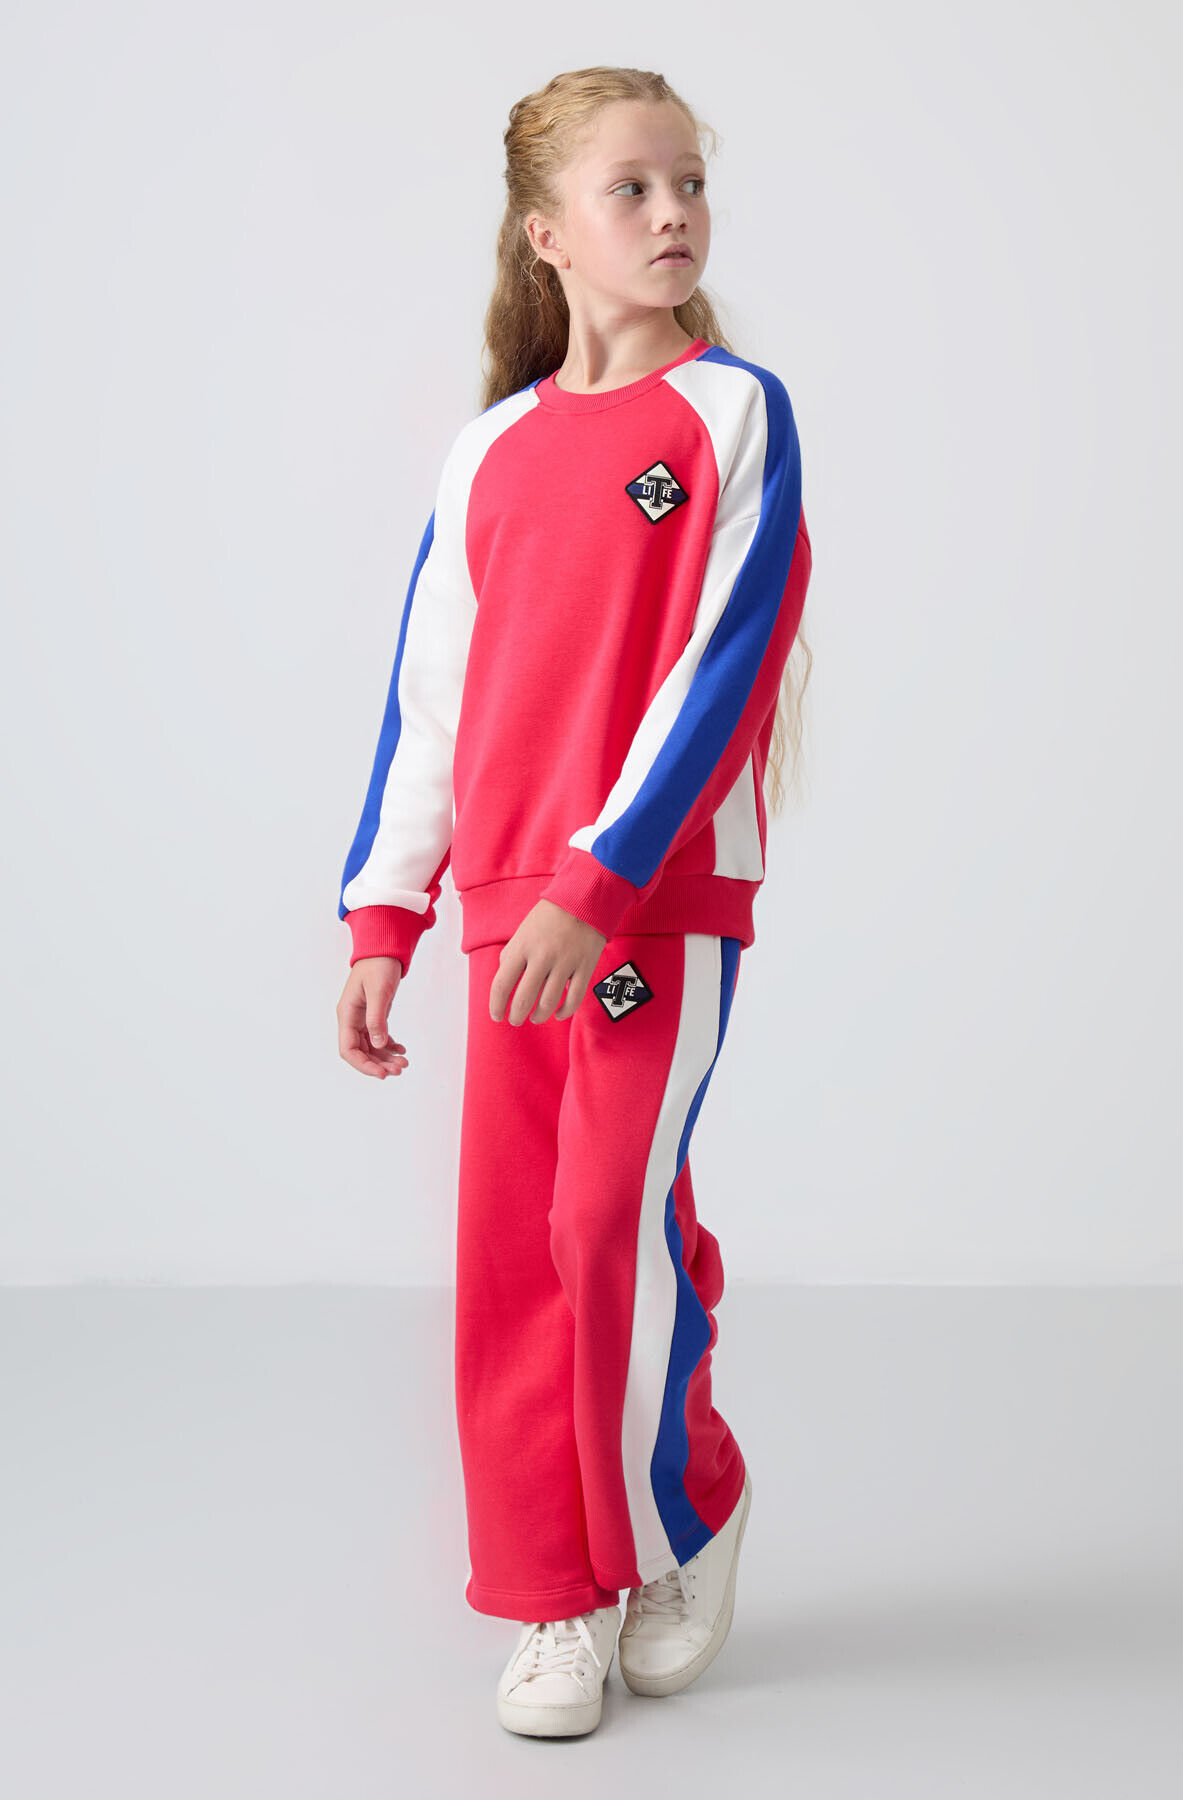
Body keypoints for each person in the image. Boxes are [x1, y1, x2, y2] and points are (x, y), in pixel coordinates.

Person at [335, 64, 813, 1739]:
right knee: (512, 1254)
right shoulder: (490, 452)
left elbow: (723, 667)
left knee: (605, 1225)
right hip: (505, 911)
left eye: (691, 184)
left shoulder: (734, 412)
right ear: (547, 234)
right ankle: (554, 1592)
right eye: (634, 189)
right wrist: (384, 916)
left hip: (649, 901)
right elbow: (431, 701)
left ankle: (680, 1518)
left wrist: (599, 887)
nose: (675, 213)